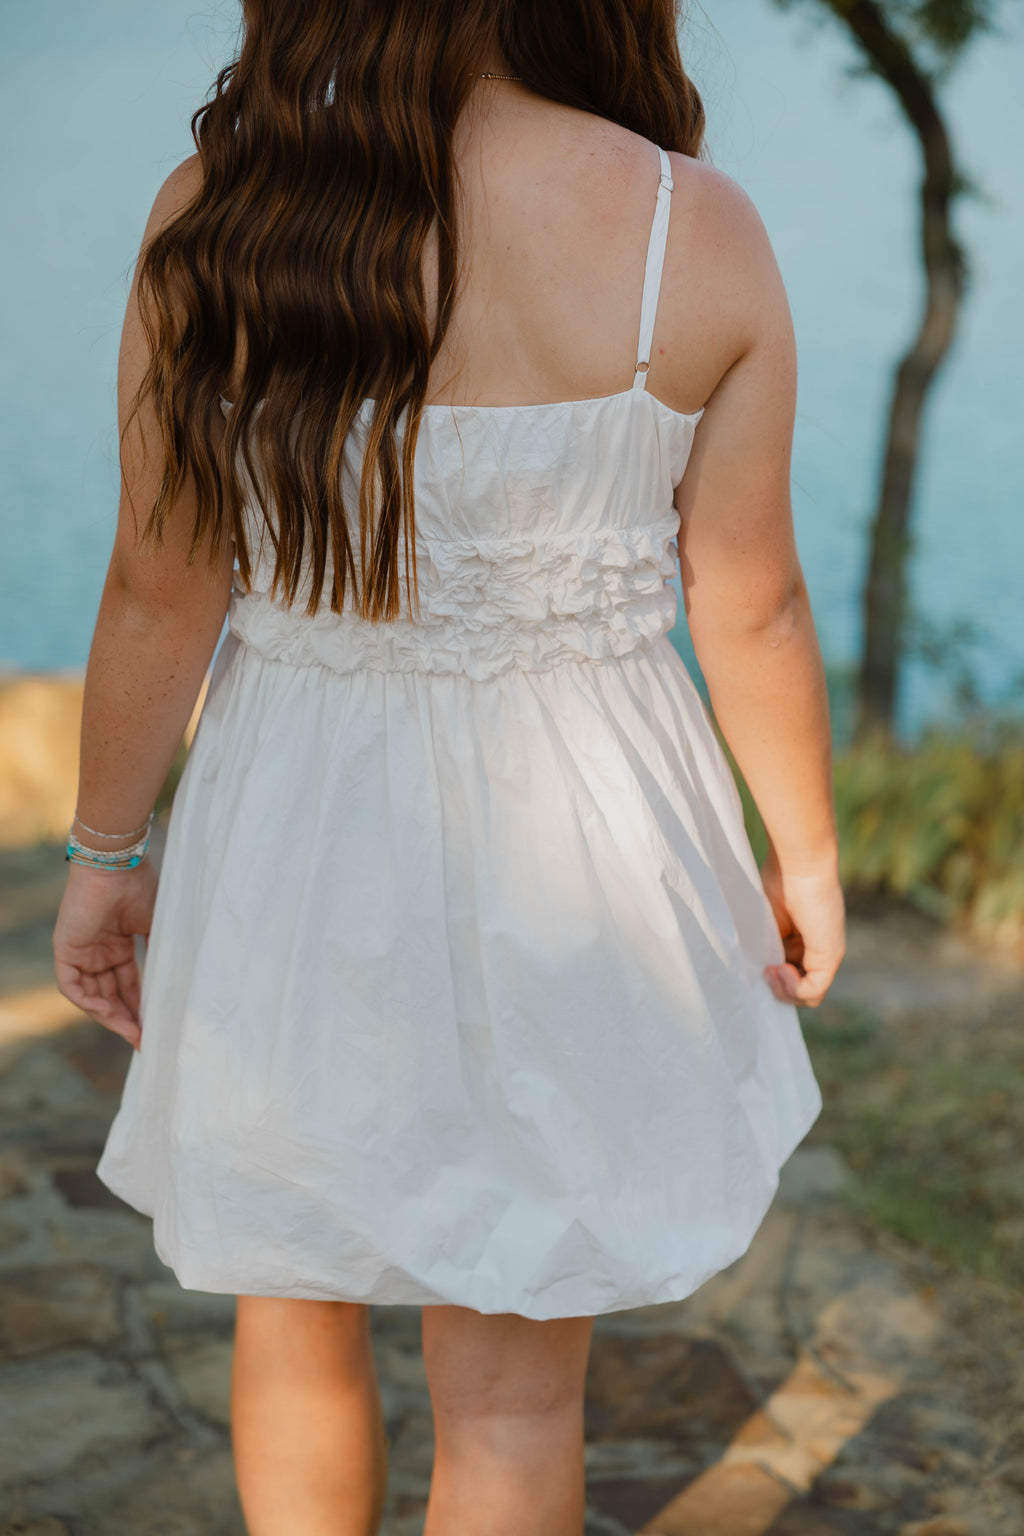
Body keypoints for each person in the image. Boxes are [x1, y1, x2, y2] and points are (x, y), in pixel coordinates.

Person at [52, 2, 846, 1532]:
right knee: (516, 1387)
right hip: (589, 835)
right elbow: (752, 597)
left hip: (297, 817)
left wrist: (107, 856)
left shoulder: (217, 215)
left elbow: (161, 585)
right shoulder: (694, 224)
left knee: (291, 1295)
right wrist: (802, 851)